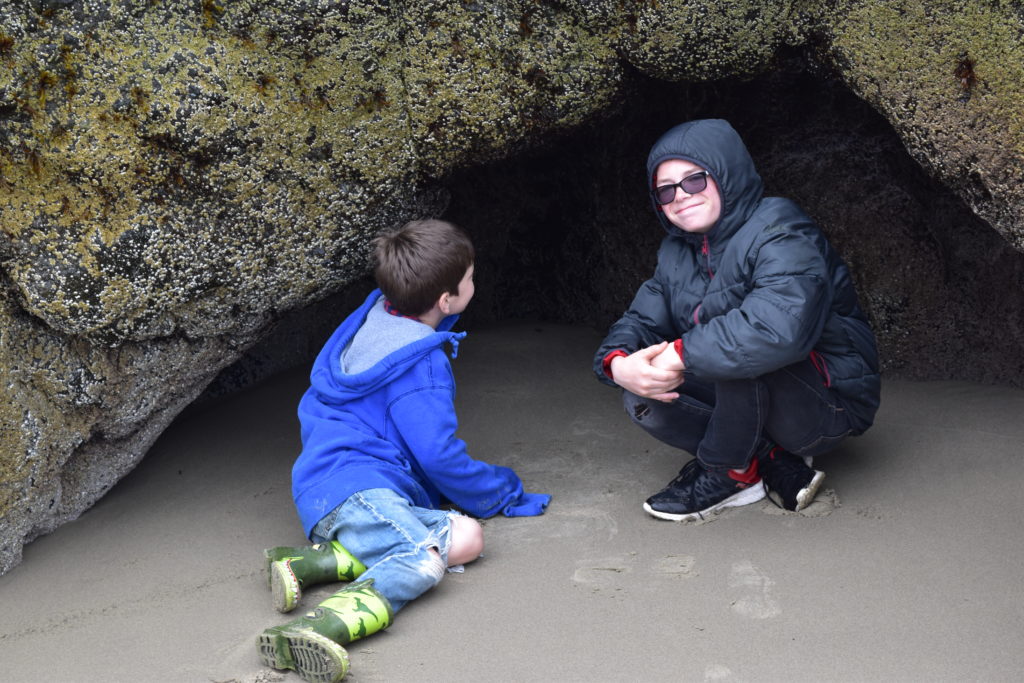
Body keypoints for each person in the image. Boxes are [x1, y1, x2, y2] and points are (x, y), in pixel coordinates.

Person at [258, 219, 551, 683]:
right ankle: (322, 625)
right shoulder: (420, 366)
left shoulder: (374, 315)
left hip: (324, 487)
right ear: (445, 300)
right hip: (358, 490)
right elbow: (439, 457)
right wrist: (501, 491)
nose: (475, 282)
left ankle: (309, 562)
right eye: (470, 278)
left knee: (467, 538)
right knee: (423, 556)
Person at [593, 118, 880, 522]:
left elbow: (777, 329)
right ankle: (767, 461)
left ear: (726, 174)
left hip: (824, 405)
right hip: (748, 392)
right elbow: (641, 318)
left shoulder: (781, 228)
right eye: (665, 190)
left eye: (694, 180)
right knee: (645, 397)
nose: (681, 196)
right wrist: (617, 364)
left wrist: (679, 353)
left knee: (728, 347)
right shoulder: (676, 252)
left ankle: (726, 472)